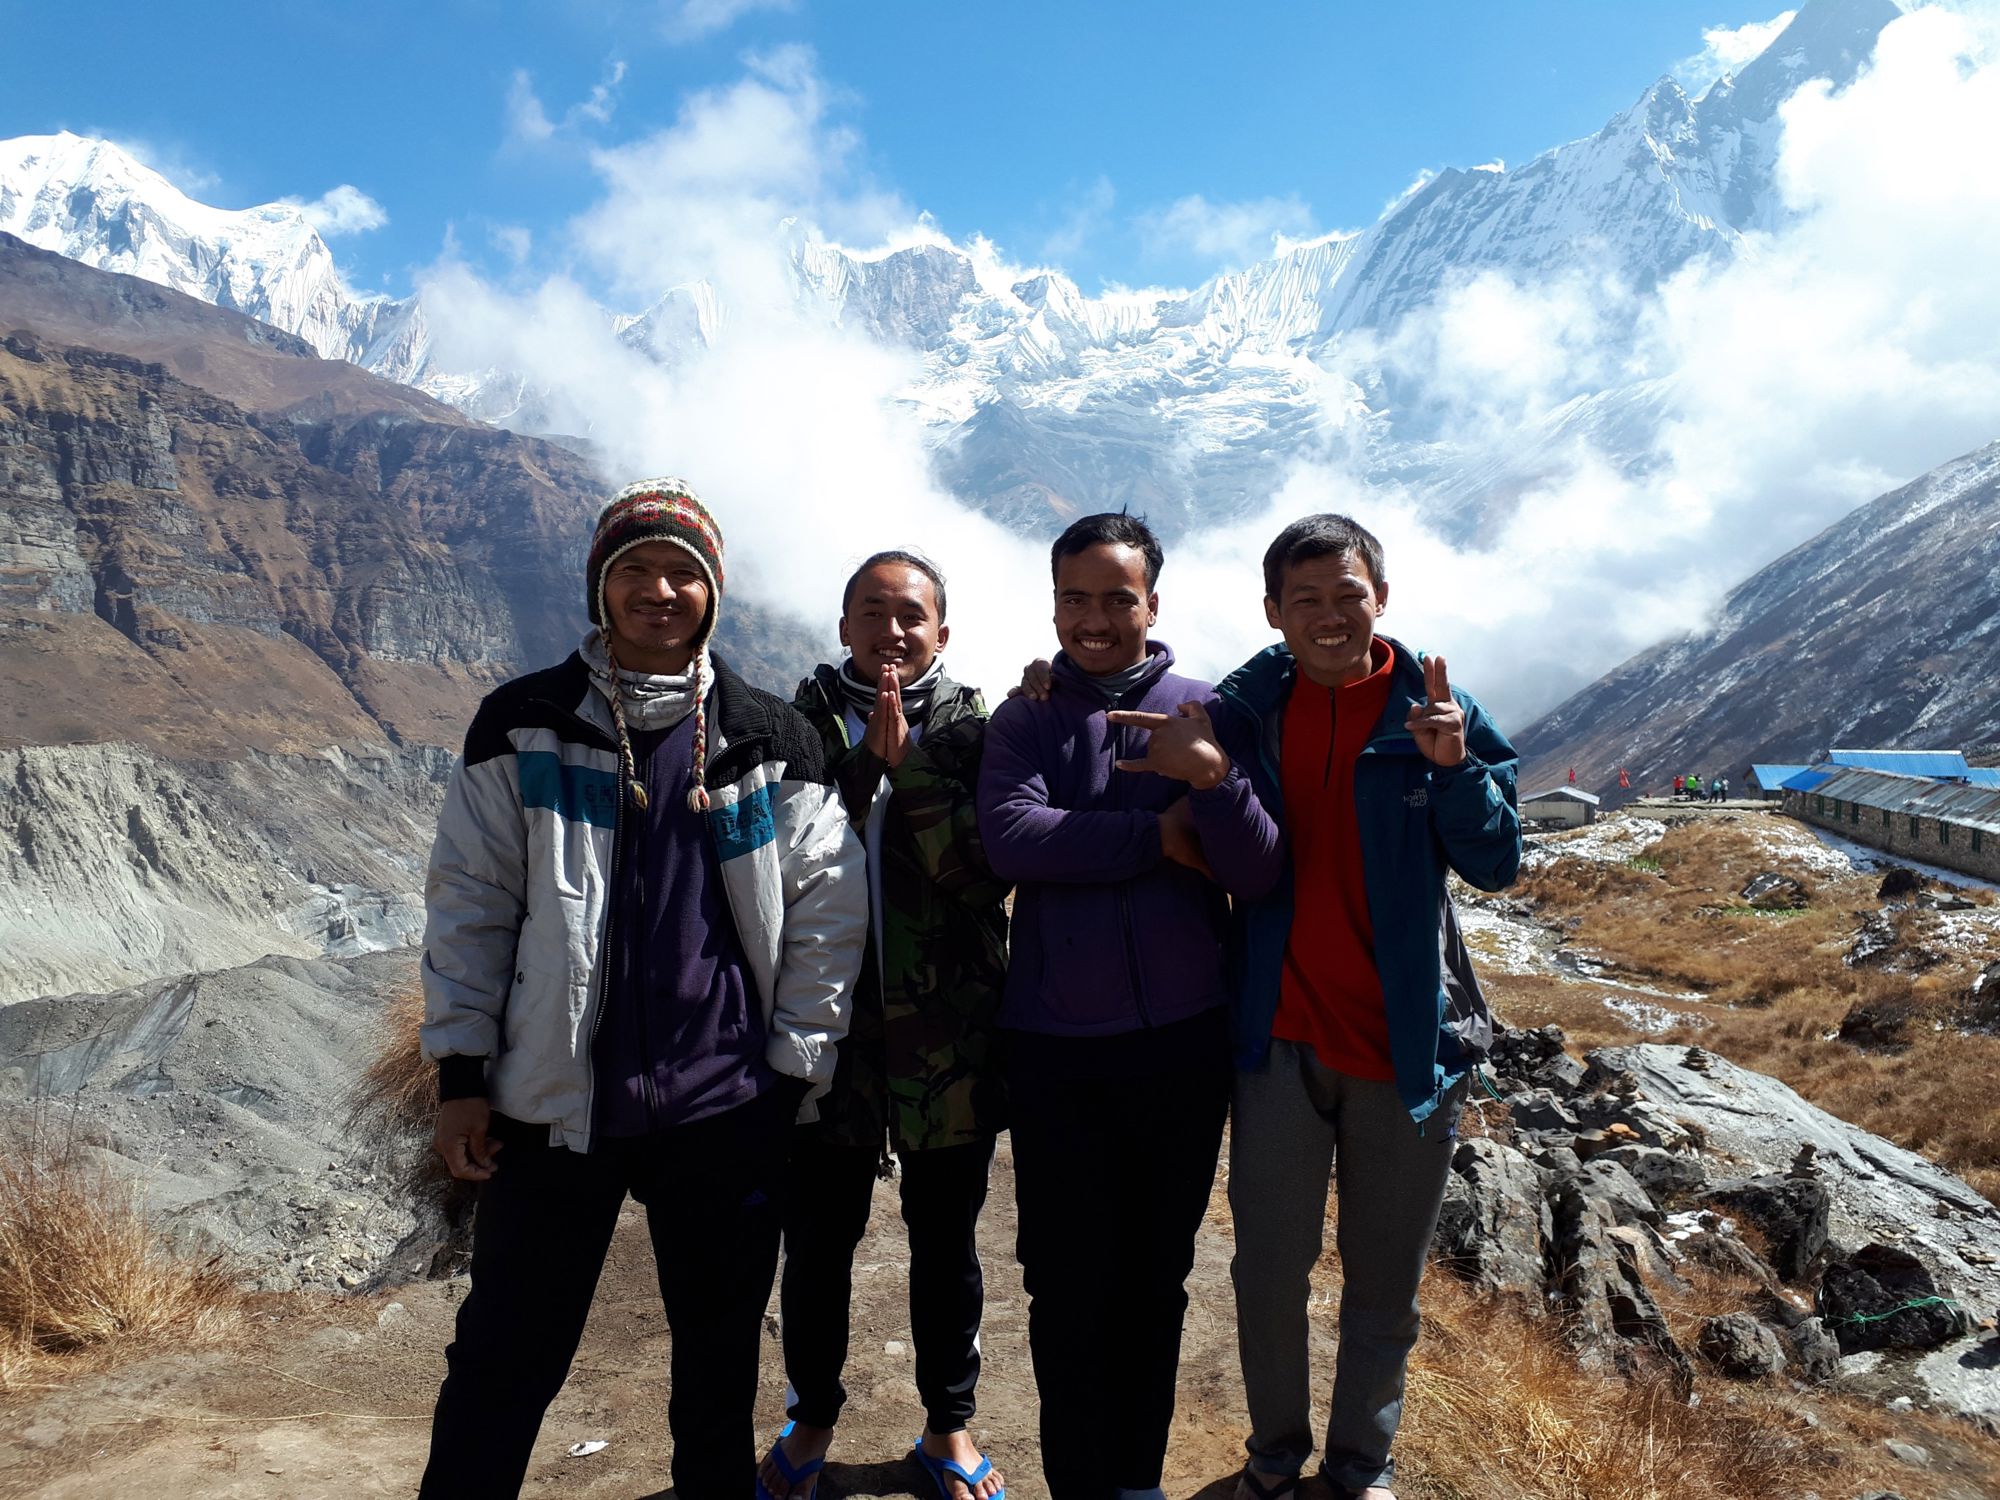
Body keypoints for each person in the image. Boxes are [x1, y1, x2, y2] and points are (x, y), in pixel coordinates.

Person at [417, 478, 867, 1500]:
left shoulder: (768, 738)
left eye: (681, 573)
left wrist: (796, 1062)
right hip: (550, 1104)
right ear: (599, 586)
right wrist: (460, 1072)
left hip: (723, 1106)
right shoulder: (522, 725)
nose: (658, 591)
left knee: (716, 1372)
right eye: (634, 571)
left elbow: (826, 913)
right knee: (502, 1358)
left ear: (711, 592)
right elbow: (471, 904)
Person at [1198, 514, 1521, 1500]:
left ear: (1379, 597)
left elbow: (1498, 862)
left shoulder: (1434, 710)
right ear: (1273, 613)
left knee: (1383, 1287)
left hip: (1403, 1049)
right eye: (1306, 599)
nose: (1330, 616)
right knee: (1266, 1276)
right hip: (1279, 1042)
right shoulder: (1246, 713)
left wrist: (1453, 771)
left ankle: (1359, 1467)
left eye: (1348, 595)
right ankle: (1272, 1458)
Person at [976, 512, 1281, 1500]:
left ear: (1153, 604)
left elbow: (1254, 866)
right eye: (1075, 597)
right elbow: (1010, 840)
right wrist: (1156, 838)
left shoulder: (1206, 712)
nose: (1094, 618)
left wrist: (1217, 783)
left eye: (1117, 598)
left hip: (1181, 1045)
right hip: (1055, 1048)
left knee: (1154, 1279)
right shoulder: (1024, 717)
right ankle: (1078, 1485)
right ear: (1053, 600)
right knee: (1064, 1288)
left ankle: (1136, 1483)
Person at [764, 551, 1010, 1500]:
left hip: (948, 1034)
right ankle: (811, 1418)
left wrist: (908, 774)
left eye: (913, 616)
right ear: (843, 629)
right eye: (873, 613)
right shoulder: (788, 726)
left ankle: (948, 1427)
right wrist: (866, 760)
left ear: (942, 633)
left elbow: (987, 873)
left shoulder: (981, 732)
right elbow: (782, 855)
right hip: (827, 1037)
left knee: (946, 1243)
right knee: (818, 1242)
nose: (893, 632)